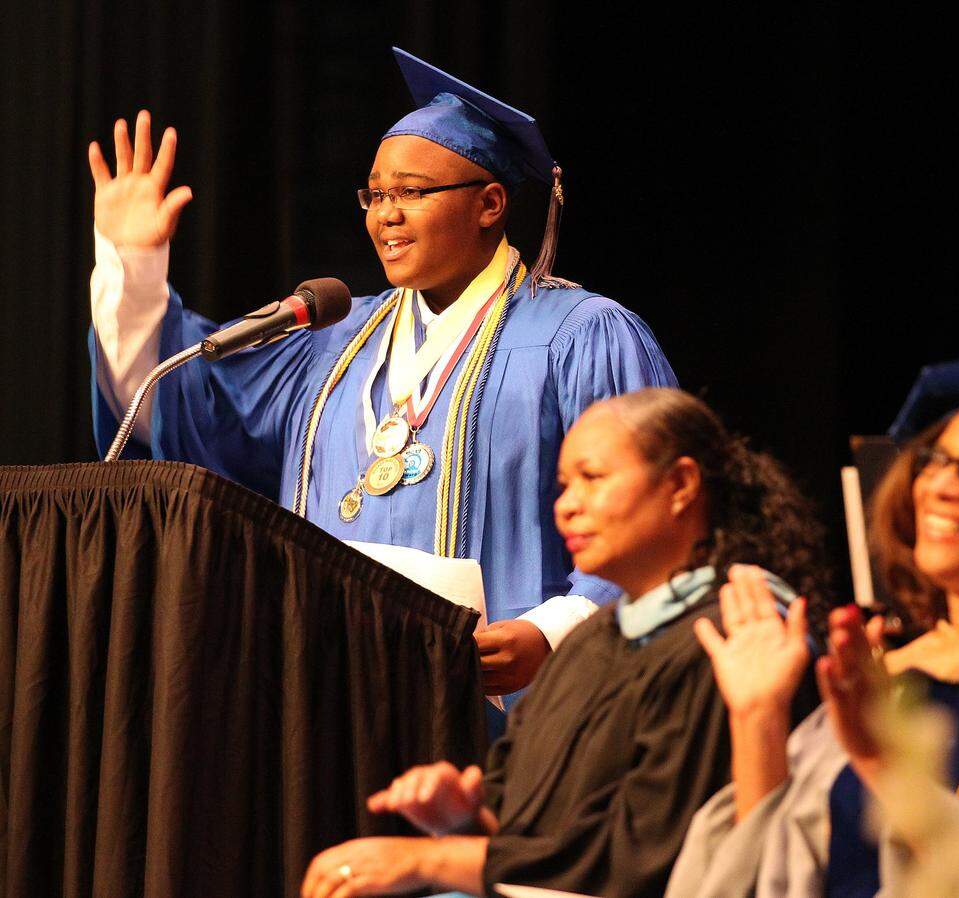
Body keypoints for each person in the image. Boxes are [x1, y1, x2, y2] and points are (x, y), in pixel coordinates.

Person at [86, 49, 677, 699]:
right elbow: (182, 406)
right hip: (331, 711)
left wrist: (554, 631)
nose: (384, 214)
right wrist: (136, 269)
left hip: (515, 718)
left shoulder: (581, 336)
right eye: (376, 193)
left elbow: (657, 516)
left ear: (489, 203)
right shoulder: (328, 337)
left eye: (412, 193)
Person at [300, 387, 830, 898]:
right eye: (562, 485)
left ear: (682, 484)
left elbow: (641, 864)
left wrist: (428, 860)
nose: (566, 508)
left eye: (591, 479)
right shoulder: (589, 643)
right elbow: (520, 831)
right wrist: (466, 818)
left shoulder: (734, 638)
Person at [667, 343, 959, 897]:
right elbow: (775, 865)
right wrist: (759, 718)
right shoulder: (893, 669)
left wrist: (882, 764)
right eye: (934, 459)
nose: (940, 486)